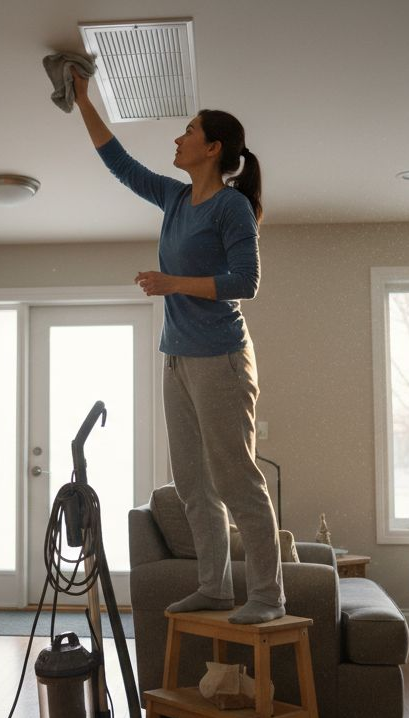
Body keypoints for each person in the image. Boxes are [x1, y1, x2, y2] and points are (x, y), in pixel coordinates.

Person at [70, 67, 284, 624]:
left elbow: (246, 282)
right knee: (191, 481)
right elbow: (117, 161)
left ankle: (267, 596)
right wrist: (82, 99)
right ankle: (213, 588)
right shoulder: (174, 197)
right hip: (178, 357)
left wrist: (172, 284)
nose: (177, 138)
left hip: (221, 356)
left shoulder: (230, 207)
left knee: (237, 478)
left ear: (212, 148)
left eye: (187, 131)